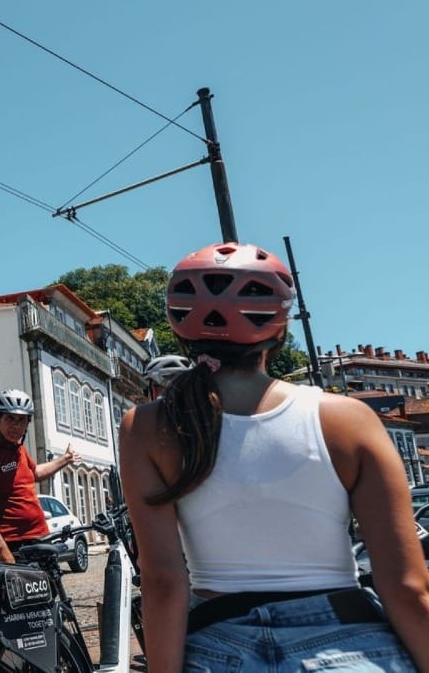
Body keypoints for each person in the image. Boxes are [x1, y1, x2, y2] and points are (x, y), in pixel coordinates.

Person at [119, 242, 429, 672]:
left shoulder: (147, 428)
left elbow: (164, 582)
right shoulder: (347, 420)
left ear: (181, 330)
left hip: (217, 643)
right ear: (280, 330)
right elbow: (408, 588)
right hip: (348, 638)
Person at [0, 389, 81, 564]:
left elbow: (35, 473)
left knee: (49, 591)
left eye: (21, 420)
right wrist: (1, 549)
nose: (16, 426)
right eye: (10, 419)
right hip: (12, 544)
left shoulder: (18, 448)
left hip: (39, 537)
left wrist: (65, 459)